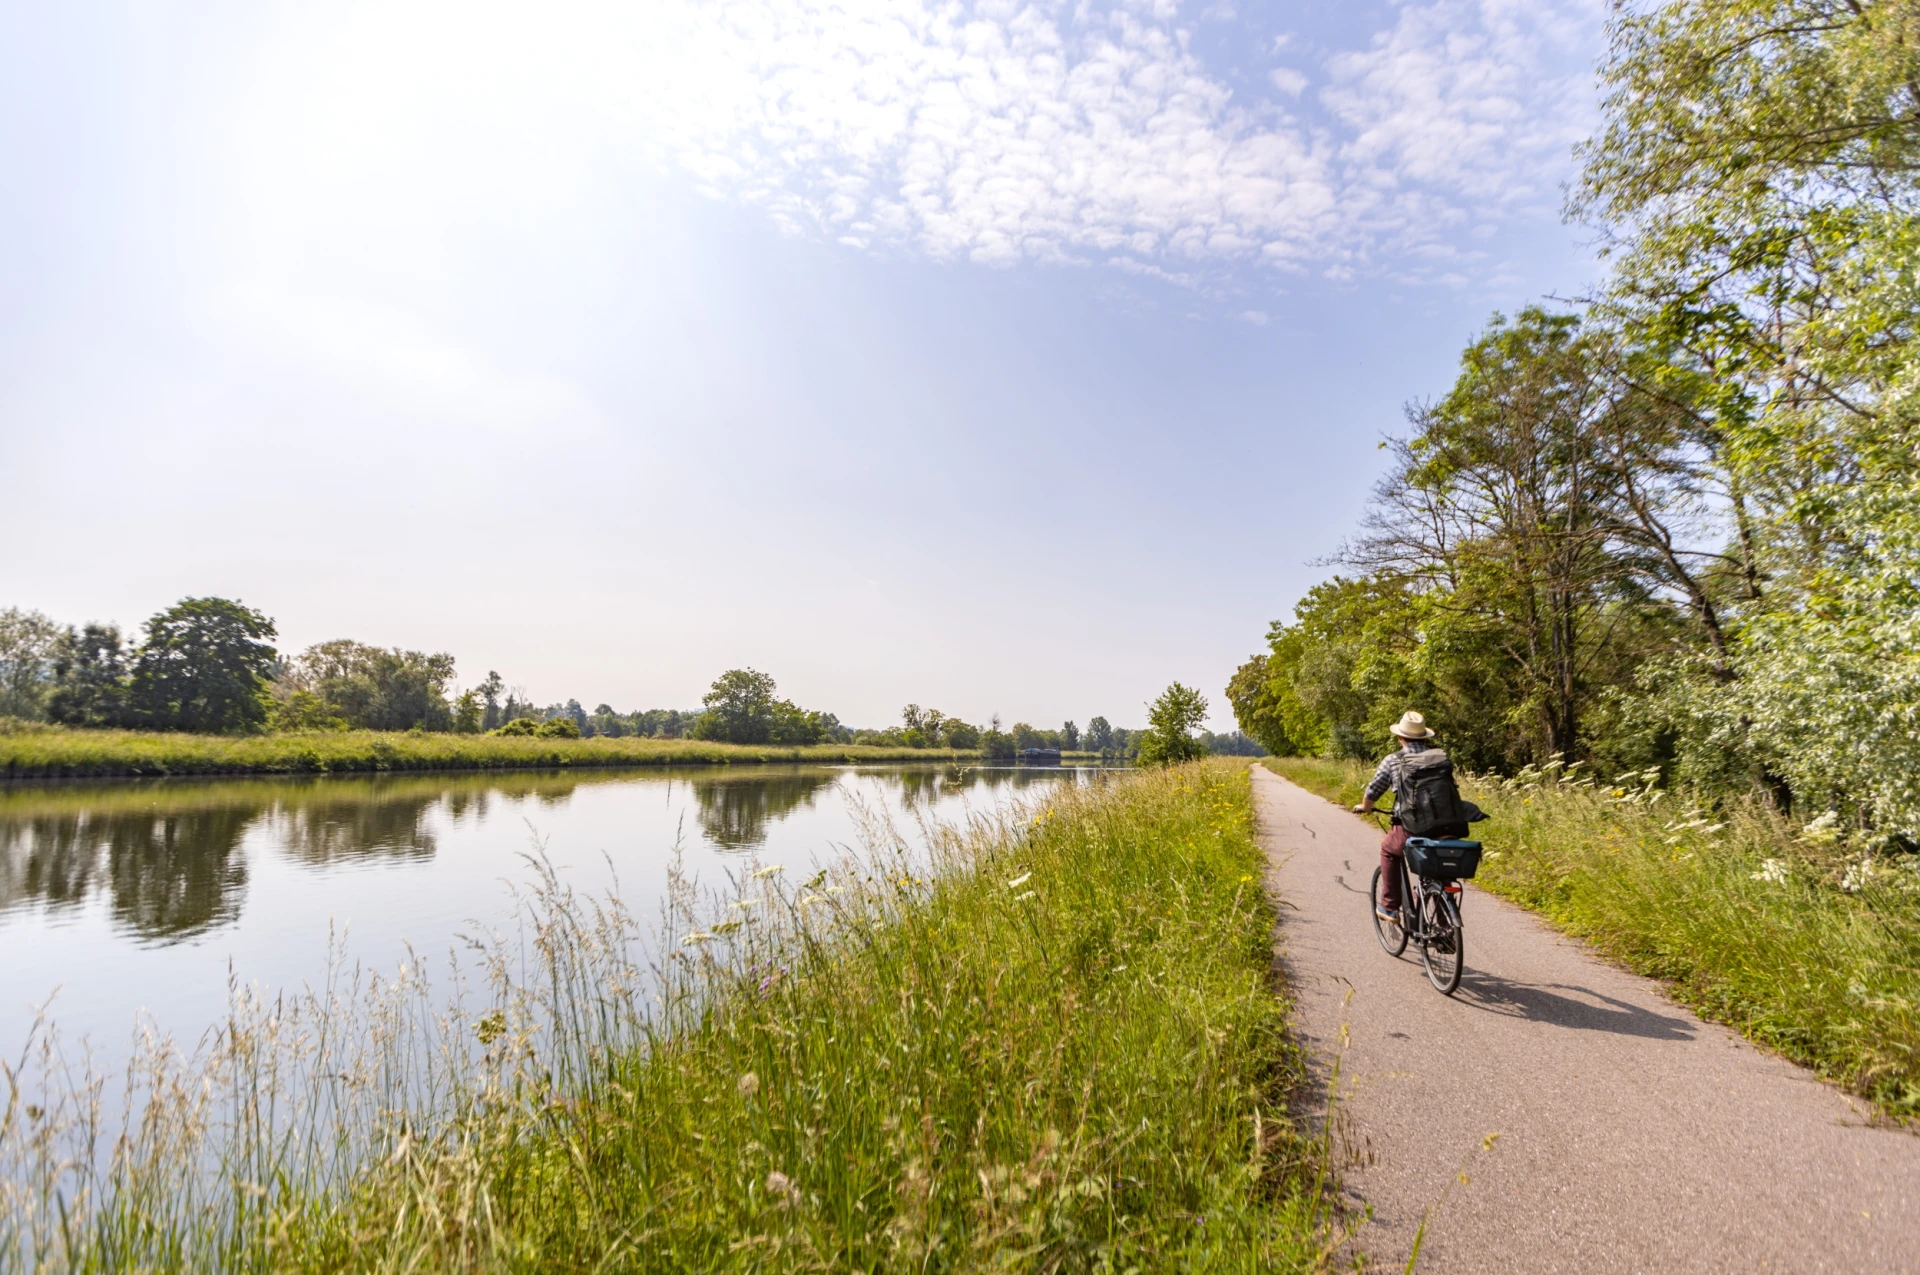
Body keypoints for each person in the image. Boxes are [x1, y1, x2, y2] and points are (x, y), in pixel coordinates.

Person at [1352, 710, 1469, 923]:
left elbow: (1373, 790)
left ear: (1400, 737)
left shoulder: (1394, 760)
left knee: (1388, 848)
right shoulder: (1441, 758)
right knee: (1438, 867)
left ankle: (1389, 907)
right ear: (1424, 738)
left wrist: (1365, 806)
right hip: (1448, 825)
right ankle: (1447, 929)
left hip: (1412, 826)